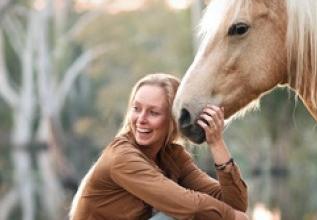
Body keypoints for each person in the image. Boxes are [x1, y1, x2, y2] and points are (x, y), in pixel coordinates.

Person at [70, 73, 248, 220]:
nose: (141, 119)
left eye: (153, 112)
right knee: (177, 214)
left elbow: (235, 204)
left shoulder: (173, 156)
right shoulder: (122, 157)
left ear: (173, 119)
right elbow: (191, 207)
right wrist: (233, 217)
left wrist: (216, 143)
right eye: (136, 108)